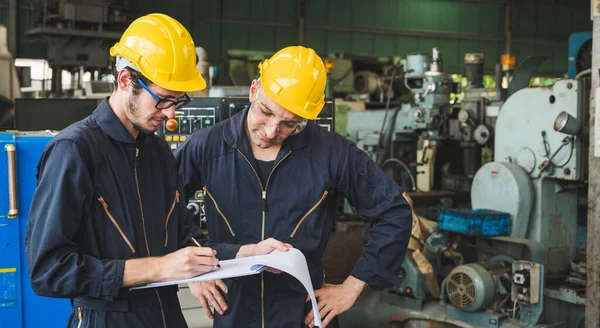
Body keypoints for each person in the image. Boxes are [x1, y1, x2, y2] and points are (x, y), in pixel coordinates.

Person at [25, 13, 290, 328]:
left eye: (178, 101)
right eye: (163, 100)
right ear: (126, 80)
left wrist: (251, 253)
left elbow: (183, 239)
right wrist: (160, 269)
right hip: (107, 319)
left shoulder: (158, 151)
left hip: (166, 317)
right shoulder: (75, 151)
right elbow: (49, 272)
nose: (171, 113)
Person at [174, 45, 413, 328]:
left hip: (300, 315)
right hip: (232, 311)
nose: (271, 131)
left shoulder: (331, 154)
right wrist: (190, 267)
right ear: (253, 90)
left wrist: (352, 287)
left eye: (290, 124)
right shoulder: (207, 146)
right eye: (265, 112)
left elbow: (394, 212)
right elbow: (162, 205)